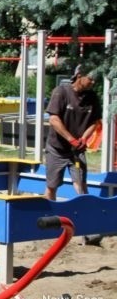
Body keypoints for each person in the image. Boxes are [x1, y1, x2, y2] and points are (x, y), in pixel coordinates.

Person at [44, 64, 102, 244]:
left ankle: (86, 227)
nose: (92, 82)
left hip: (77, 151)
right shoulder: (61, 92)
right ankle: (50, 222)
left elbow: (95, 121)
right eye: (90, 78)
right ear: (79, 76)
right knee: (52, 185)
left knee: (80, 185)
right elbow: (54, 119)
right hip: (57, 148)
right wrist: (71, 139)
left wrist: (84, 138)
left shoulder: (92, 97)